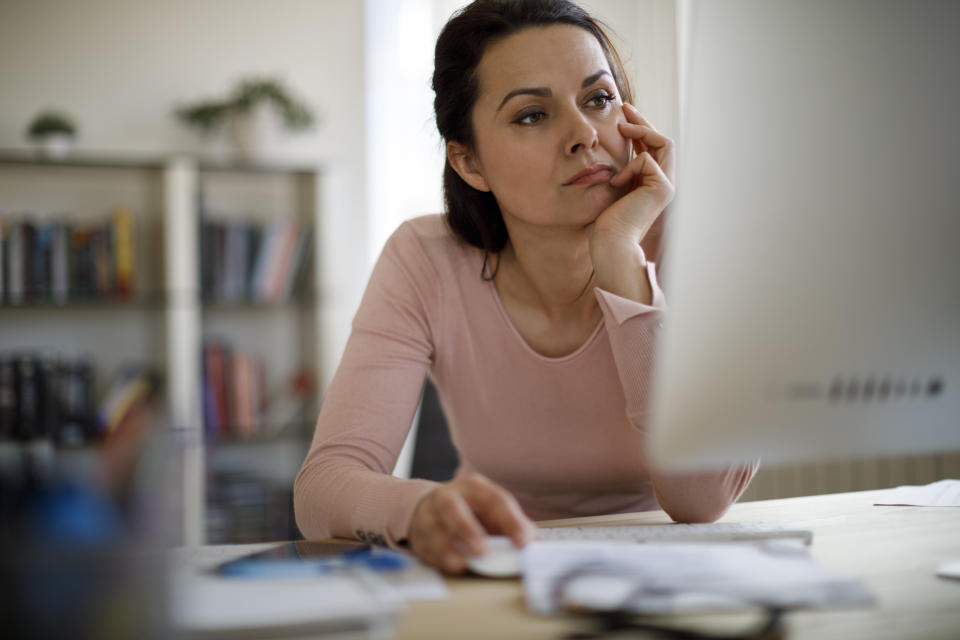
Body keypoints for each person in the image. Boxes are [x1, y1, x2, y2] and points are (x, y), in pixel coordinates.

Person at [294, 0, 757, 574]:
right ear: (468, 163)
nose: (584, 134)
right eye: (532, 115)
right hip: (495, 566)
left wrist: (620, 261)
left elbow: (702, 500)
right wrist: (420, 509)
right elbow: (321, 488)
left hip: (671, 572)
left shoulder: (705, 246)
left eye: (598, 98)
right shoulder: (424, 259)